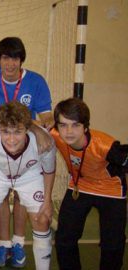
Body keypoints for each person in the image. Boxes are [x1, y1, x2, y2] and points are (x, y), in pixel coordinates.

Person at [0, 102, 55, 270]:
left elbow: (49, 171)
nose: (11, 139)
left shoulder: (44, 142)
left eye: (18, 132)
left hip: (29, 175)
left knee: (42, 218)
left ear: (28, 128)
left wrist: (47, 200)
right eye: (5, 132)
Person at [51, 98, 127, 270]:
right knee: (64, 239)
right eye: (63, 125)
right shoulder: (55, 134)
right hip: (80, 185)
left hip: (110, 190)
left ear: (85, 127)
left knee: (112, 243)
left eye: (75, 125)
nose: (68, 131)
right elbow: (31, 125)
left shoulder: (105, 145)